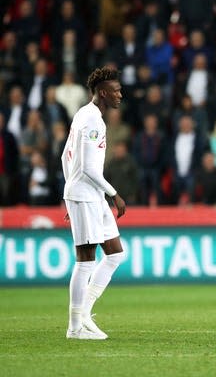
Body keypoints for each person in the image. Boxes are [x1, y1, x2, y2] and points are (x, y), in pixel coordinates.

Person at [61, 66, 127, 340]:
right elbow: (88, 167)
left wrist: (69, 187)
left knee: (115, 254)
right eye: (116, 91)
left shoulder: (84, 115)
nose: (120, 95)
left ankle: (84, 313)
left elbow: (66, 155)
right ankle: (75, 328)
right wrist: (114, 194)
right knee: (85, 261)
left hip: (89, 195)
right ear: (102, 92)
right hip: (87, 195)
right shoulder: (92, 121)